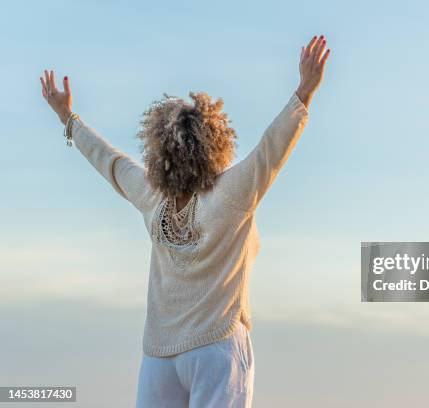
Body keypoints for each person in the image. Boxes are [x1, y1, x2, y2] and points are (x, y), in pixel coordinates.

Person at [39, 35, 330, 408]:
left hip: (159, 356)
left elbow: (108, 160)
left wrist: (67, 118)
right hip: (217, 346)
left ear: (158, 150)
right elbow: (272, 148)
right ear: (215, 145)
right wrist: (305, 90)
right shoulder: (232, 193)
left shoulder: (150, 194)